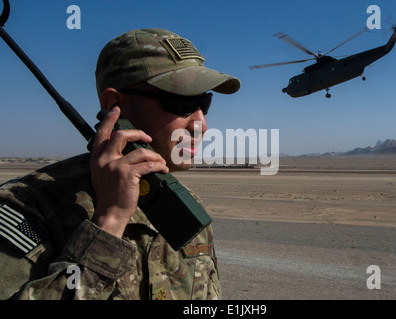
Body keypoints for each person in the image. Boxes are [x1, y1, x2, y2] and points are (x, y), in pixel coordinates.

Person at [0, 28, 240, 300]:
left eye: (204, 103)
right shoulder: (26, 208)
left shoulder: (186, 205)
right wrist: (108, 223)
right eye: (182, 102)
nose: (201, 125)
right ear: (115, 104)